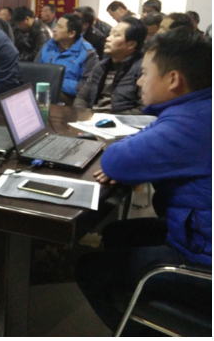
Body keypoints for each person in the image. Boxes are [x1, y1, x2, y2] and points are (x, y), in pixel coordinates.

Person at [76, 27, 212, 335]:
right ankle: (137, 305)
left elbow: (115, 161)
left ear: (173, 79)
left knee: (89, 269)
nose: (139, 81)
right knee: (116, 233)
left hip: (204, 262)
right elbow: (141, 143)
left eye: (145, 74)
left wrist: (127, 160)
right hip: (197, 233)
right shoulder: (199, 107)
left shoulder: (191, 123)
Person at [74, 17, 147, 114]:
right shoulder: (101, 66)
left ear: (131, 44)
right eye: (110, 34)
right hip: (92, 119)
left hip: (119, 121)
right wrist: (82, 114)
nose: (108, 39)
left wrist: (112, 119)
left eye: (116, 35)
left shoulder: (142, 70)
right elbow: (82, 97)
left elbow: (144, 108)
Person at [36, 14, 98, 105]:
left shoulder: (88, 53)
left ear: (71, 34)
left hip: (70, 99)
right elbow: (35, 71)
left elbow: (86, 86)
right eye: (56, 25)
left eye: (60, 27)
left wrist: (54, 81)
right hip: (43, 94)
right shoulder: (48, 46)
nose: (54, 29)